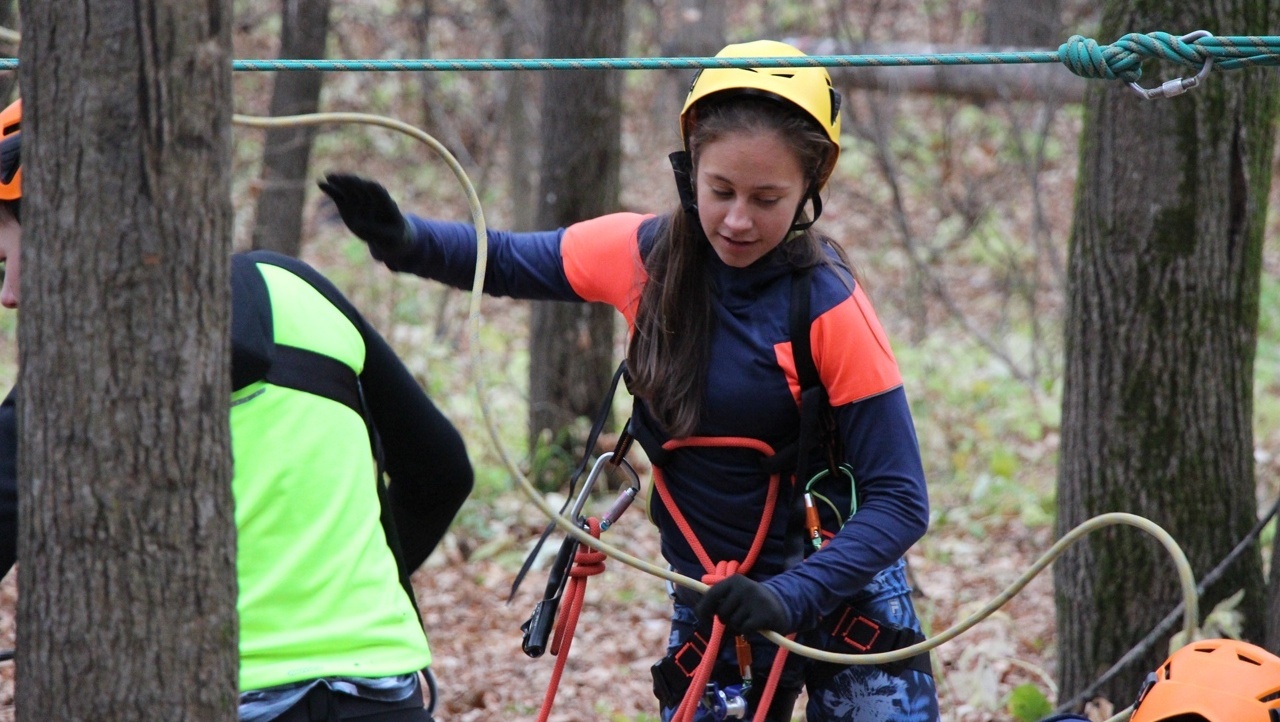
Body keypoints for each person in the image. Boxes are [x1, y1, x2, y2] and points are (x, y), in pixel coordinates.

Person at [320, 38, 938, 722]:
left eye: (767, 198)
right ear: (689, 172)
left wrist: (794, 594)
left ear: (809, 192)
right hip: (714, 601)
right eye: (720, 191)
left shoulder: (830, 307)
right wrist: (403, 239)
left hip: (842, 590)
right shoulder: (642, 259)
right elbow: (512, 262)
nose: (737, 219)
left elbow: (901, 499)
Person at [0, 97, 476, 722]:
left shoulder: (93, 362)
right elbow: (443, 471)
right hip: (379, 688)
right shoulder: (301, 290)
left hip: (219, 695)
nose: (8, 296)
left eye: (7, 261)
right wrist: (340, 598)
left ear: (73, 229)